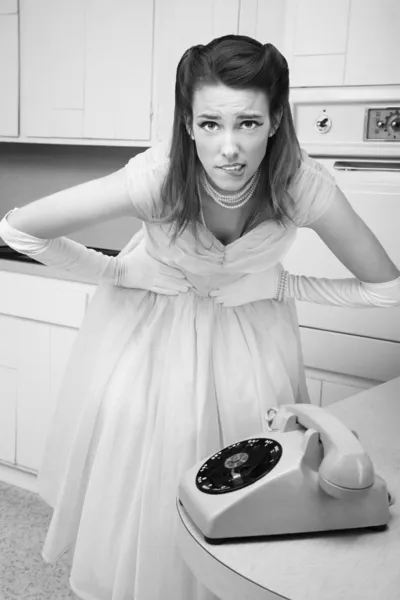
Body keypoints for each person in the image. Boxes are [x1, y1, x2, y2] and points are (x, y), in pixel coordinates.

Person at [1, 34, 399, 600]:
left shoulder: (301, 186)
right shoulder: (158, 179)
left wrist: (284, 282)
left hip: (252, 339)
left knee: (253, 477)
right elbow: (16, 231)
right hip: (153, 339)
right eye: (210, 124)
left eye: (249, 123)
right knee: (151, 475)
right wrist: (117, 272)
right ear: (187, 124)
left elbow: (387, 291)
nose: (229, 148)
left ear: (277, 119)